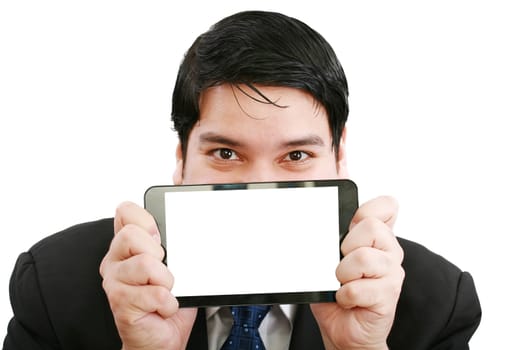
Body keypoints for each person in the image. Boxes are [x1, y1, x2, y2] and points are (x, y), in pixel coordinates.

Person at [3, 10, 481, 350]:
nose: (260, 188)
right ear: (181, 159)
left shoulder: (435, 301)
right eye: (225, 153)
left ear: (338, 160)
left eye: (296, 155)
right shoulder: (55, 283)